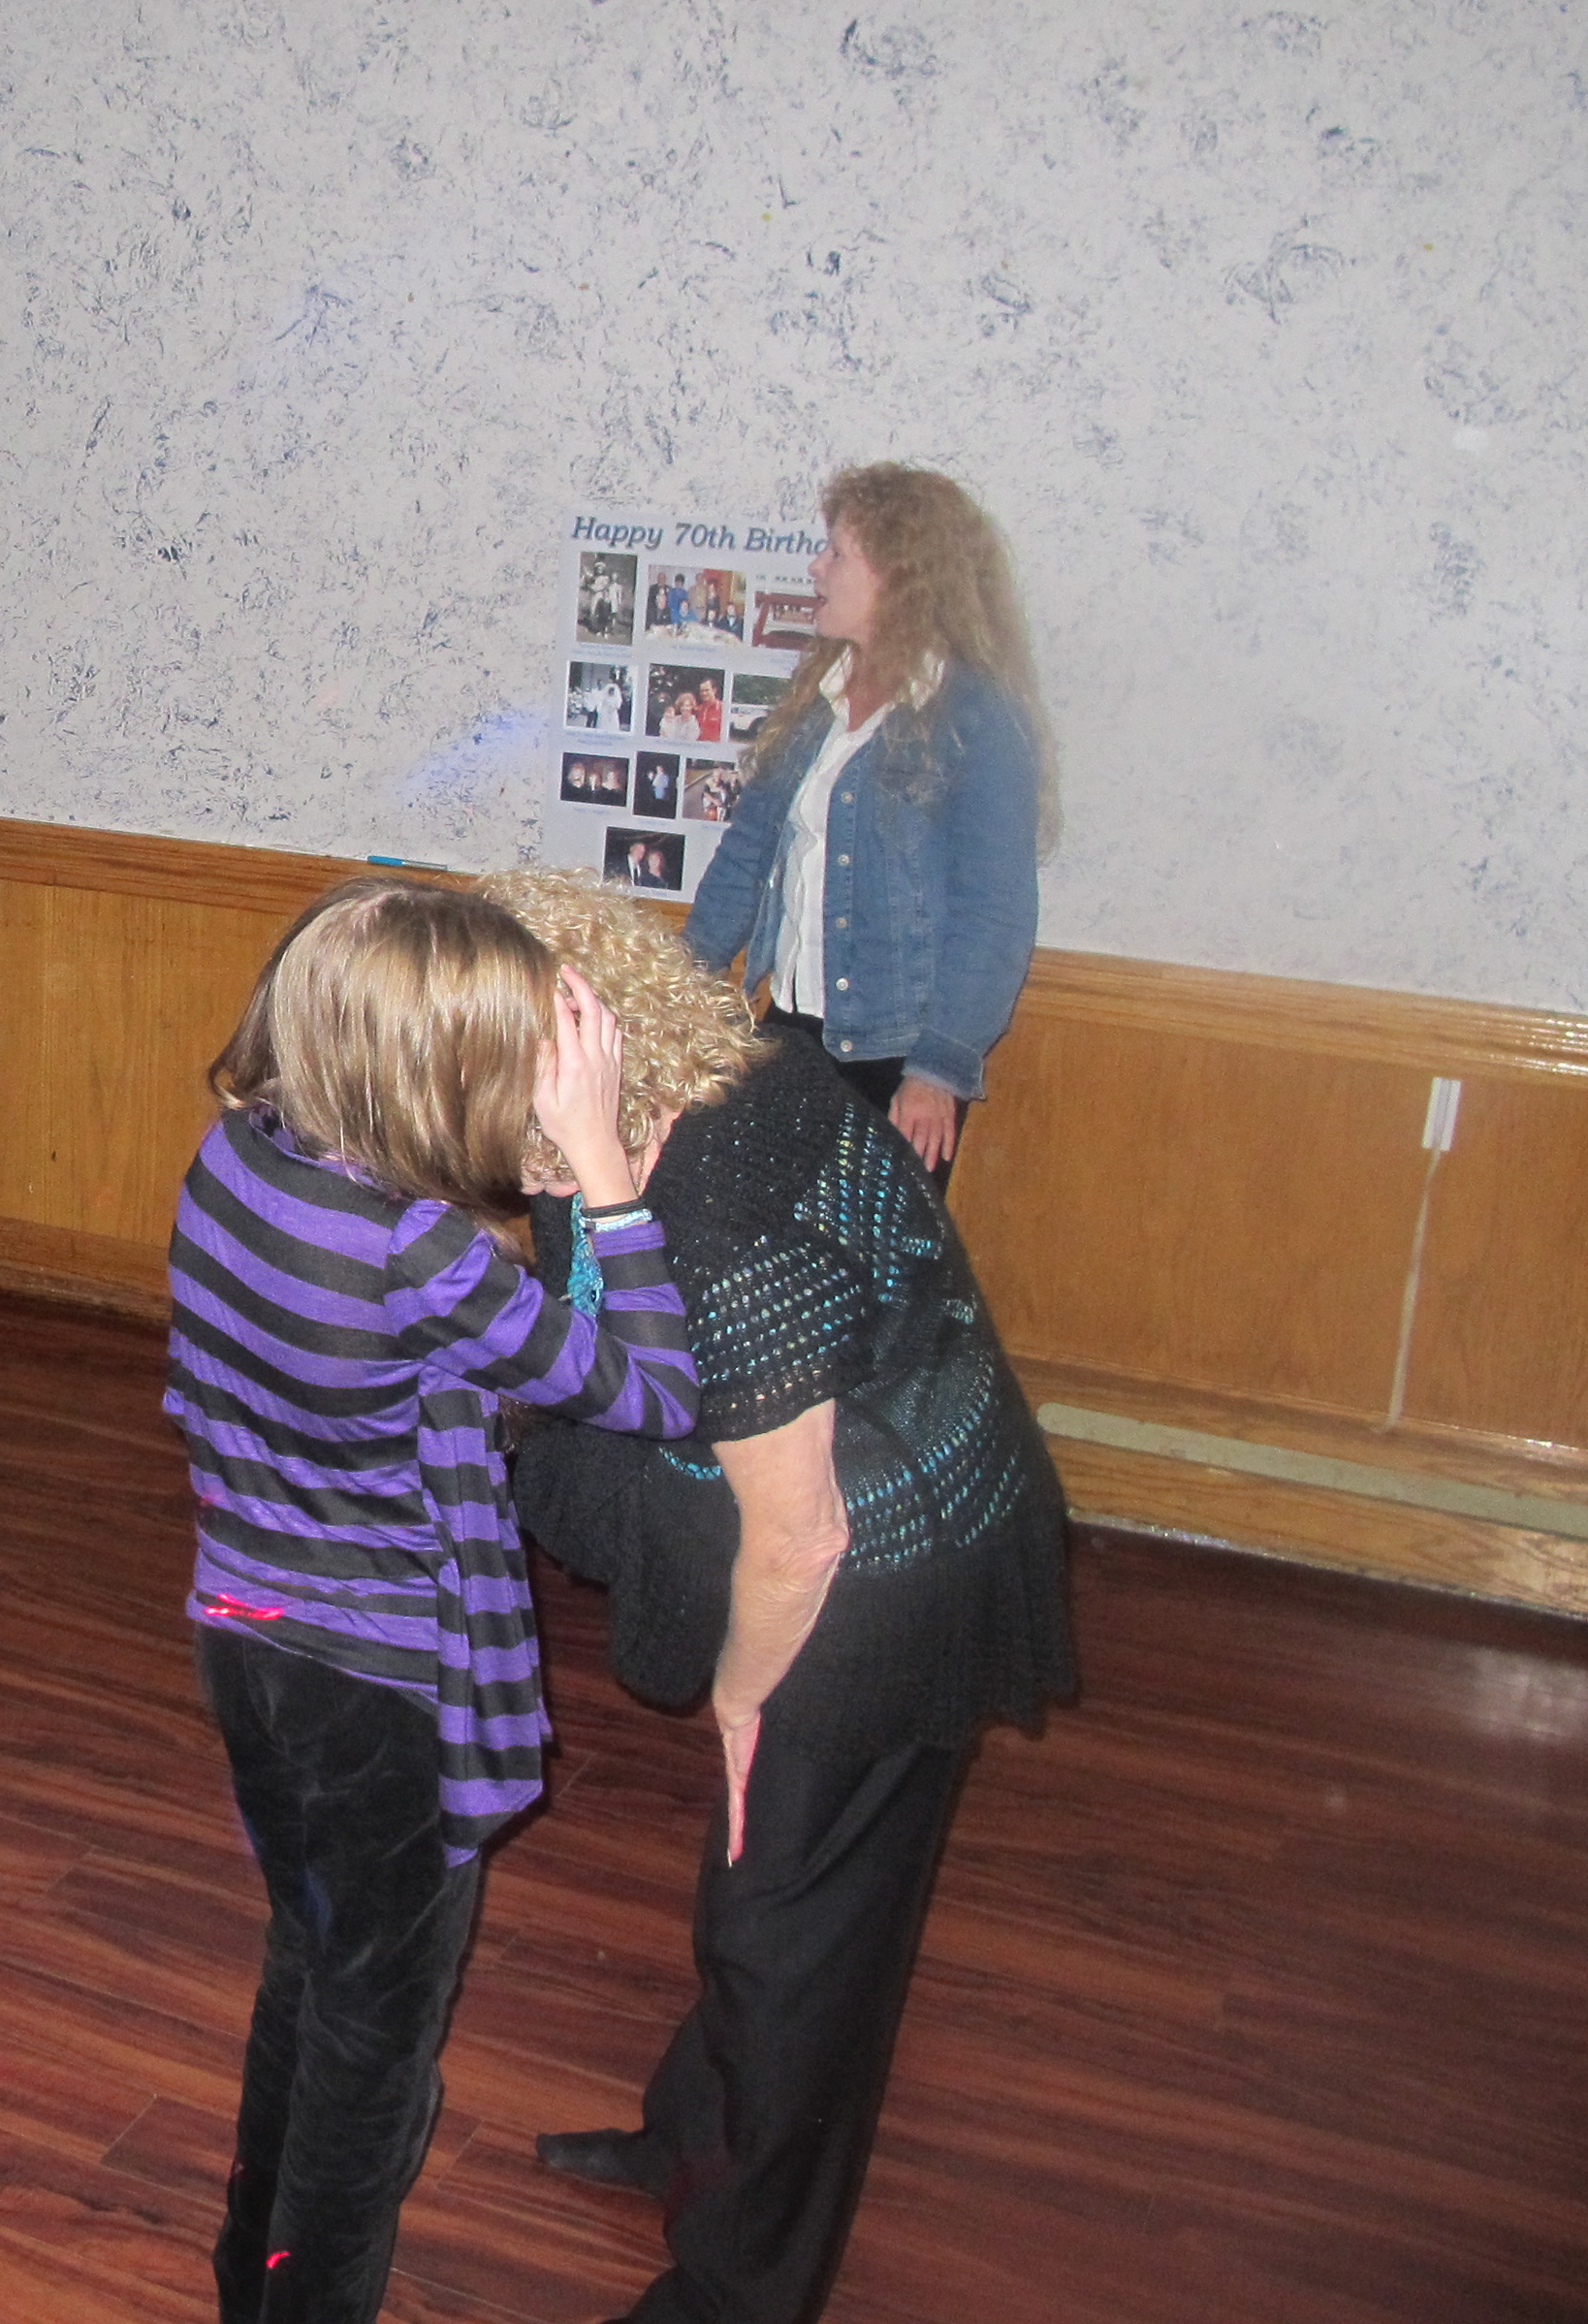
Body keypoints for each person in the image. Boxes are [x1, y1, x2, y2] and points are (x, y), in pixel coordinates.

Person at [479, 868, 1075, 2324]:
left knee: (793, 1941)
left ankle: (741, 2292)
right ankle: (691, 2138)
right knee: (761, 1901)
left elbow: (797, 1538)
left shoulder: (711, 1196)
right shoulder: (651, 1116)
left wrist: (743, 1695)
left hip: (889, 1576)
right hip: (839, 1525)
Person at [170, 877, 702, 2324]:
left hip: (246, 1641)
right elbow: (654, 1391)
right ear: (430, 1078)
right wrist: (611, 1181)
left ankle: (247, 2281)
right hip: (376, 1692)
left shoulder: (235, 1157)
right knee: (374, 2053)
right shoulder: (421, 1257)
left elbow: (424, 1364)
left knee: (311, 1960)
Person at [680, 465, 1052, 1172]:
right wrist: (676, 990)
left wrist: (938, 1070)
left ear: (900, 575)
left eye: (837, 553)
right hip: (792, 1035)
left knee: (878, 1248)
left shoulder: (975, 716)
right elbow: (745, 857)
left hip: (898, 1058)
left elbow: (995, 912)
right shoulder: (815, 700)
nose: (816, 568)